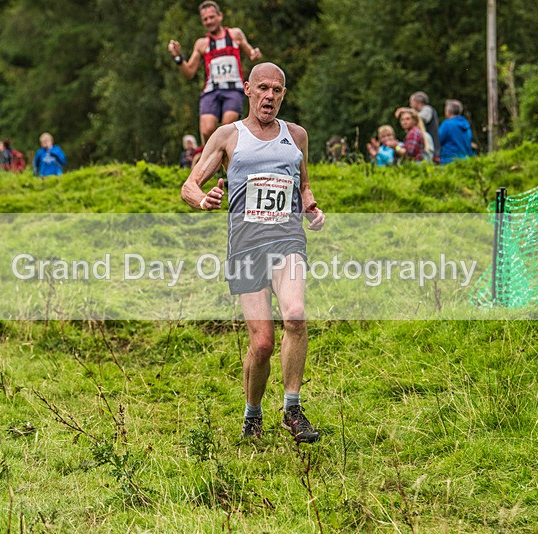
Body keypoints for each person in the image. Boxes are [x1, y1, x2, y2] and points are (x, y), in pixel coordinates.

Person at [181, 63, 325, 444]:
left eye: (277, 90)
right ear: (247, 89)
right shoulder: (229, 135)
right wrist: (204, 200)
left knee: (295, 316)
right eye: (263, 88)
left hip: (287, 240)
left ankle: (292, 409)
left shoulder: (296, 135)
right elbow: (190, 185)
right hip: (246, 246)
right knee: (261, 343)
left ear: (283, 95)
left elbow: (304, 184)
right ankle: (252, 414)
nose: (270, 97)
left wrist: (311, 207)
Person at [167, 1, 263, 144]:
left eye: (212, 17)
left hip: (233, 89)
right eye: (205, 19)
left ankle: (226, 161)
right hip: (211, 91)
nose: (209, 21)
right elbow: (189, 73)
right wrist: (178, 57)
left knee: (226, 127)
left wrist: (255, 54)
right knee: (206, 130)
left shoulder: (235, 34)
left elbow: (251, 54)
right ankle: (211, 160)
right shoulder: (202, 44)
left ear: (220, 16)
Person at [396, 91, 441, 161]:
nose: (410, 105)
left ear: (417, 102)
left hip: (431, 147)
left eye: (411, 102)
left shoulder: (427, 109)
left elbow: (420, 117)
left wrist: (407, 111)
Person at [438, 99, 474, 164]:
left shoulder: (447, 124)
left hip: (449, 160)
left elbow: (438, 140)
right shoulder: (466, 125)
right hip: (465, 160)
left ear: (448, 111)